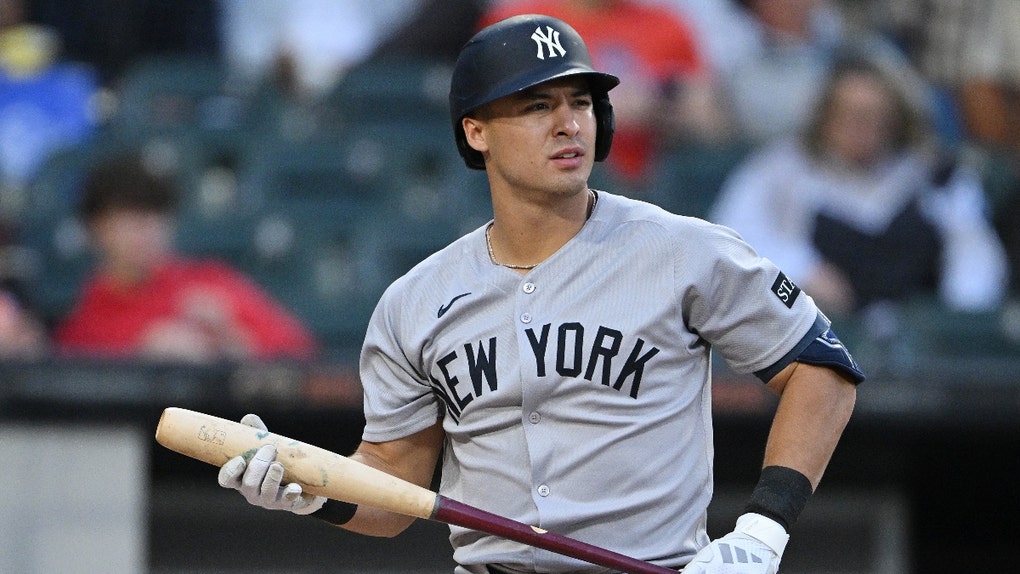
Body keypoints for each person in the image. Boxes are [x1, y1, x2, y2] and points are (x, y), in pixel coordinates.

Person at [217, 14, 862, 574]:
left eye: (580, 102)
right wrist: (310, 490)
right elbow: (396, 482)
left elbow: (821, 369)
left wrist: (763, 530)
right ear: (476, 132)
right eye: (535, 106)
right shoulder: (415, 301)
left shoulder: (683, 251)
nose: (568, 124)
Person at [710, 57, 1008, 321]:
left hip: (917, 349)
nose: (862, 129)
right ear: (825, 116)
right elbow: (730, 244)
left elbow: (974, 257)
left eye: (875, 117)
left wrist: (947, 321)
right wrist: (799, 272)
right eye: (850, 115)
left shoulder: (935, 175)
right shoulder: (781, 169)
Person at [53, 153, 318, 363]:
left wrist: (229, 342)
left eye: (157, 215)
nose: (148, 230)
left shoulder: (209, 284)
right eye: (131, 216)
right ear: (97, 227)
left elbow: (301, 355)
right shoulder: (85, 314)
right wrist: (139, 355)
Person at [477, 0, 733, 187]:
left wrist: (659, 103)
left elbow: (714, 126)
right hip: (553, 188)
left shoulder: (667, 25)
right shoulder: (517, 21)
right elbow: (500, 117)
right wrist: (601, 107)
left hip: (655, 184)